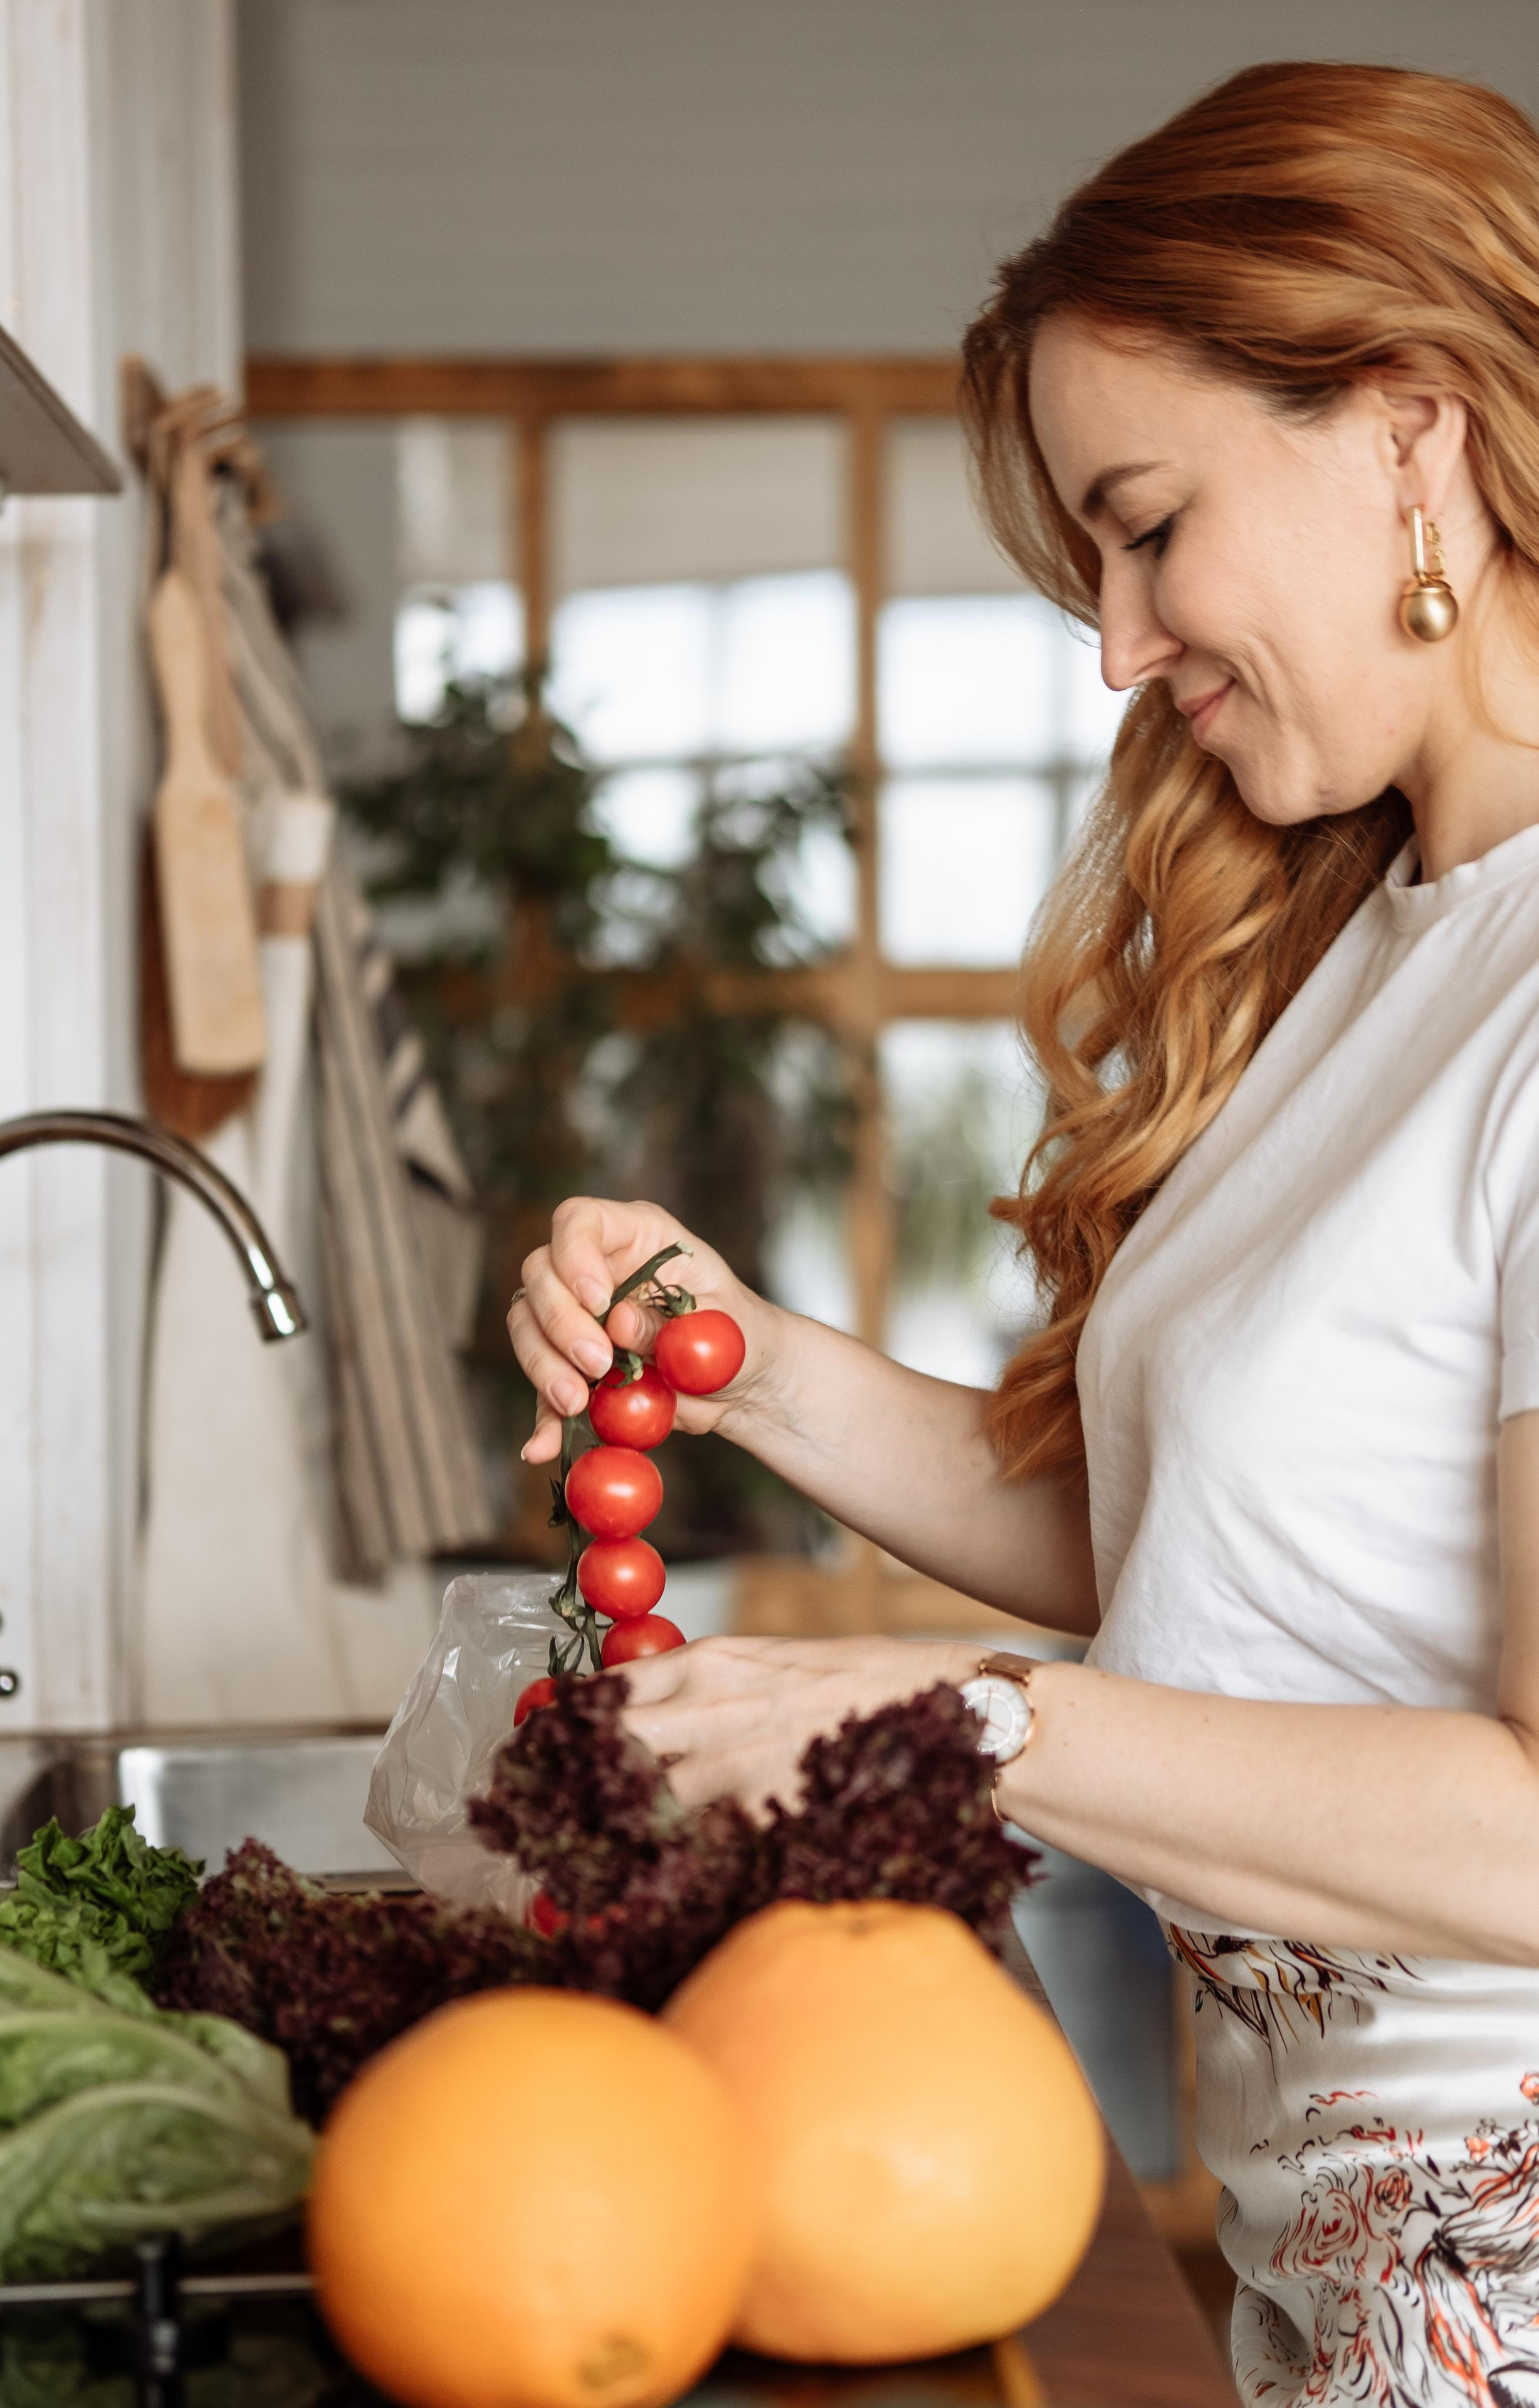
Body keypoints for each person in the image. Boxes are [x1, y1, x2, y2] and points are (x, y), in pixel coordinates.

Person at [510, 58, 1539, 2405]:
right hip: (1351, 2274)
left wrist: (939, 1721)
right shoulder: (1387, 938)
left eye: (1149, 525)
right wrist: (743, 1357)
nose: (1113, 642)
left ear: (1417, 437)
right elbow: (1220, 1565)